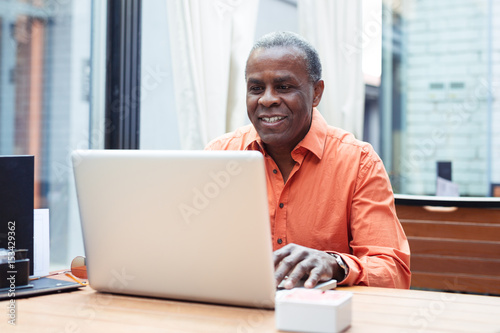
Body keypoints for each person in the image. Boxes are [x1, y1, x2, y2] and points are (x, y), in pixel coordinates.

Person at [206, 31, 411, 289]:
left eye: (284, 87)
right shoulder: (219, 155)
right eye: (256, 88)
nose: (267, 99)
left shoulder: (359, 162)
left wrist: (335, 264)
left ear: (316, 93)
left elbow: (393, 273)